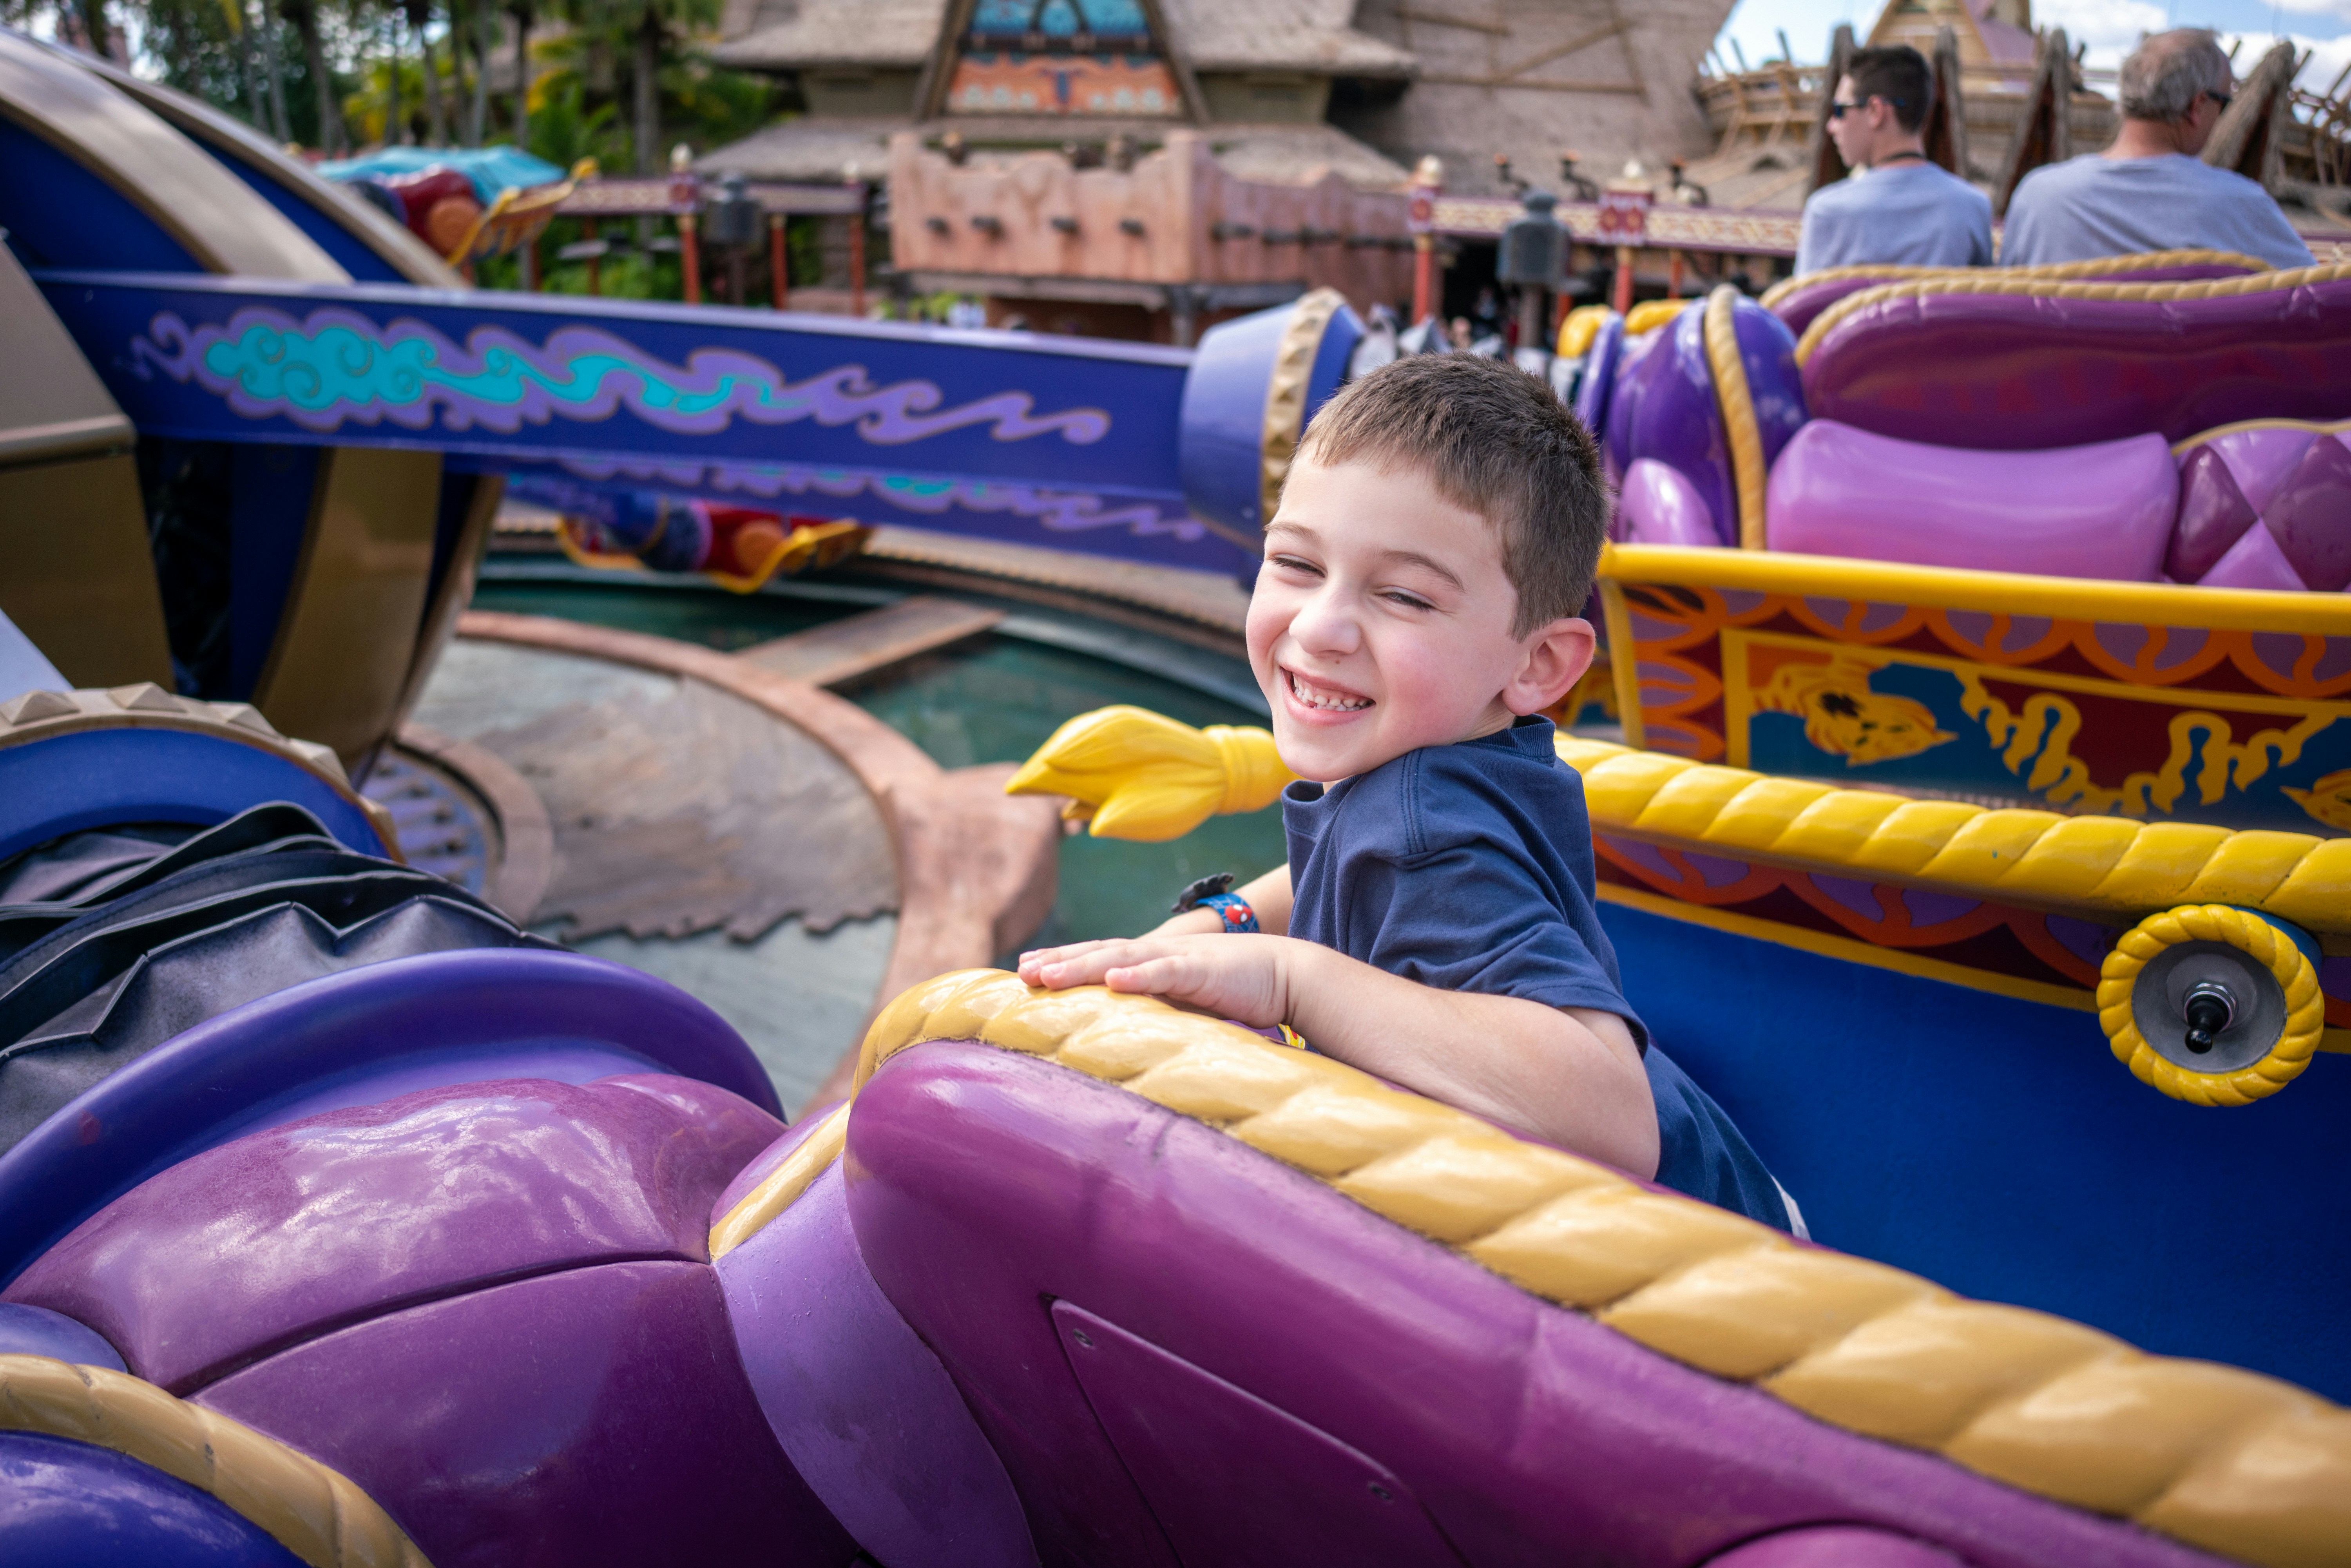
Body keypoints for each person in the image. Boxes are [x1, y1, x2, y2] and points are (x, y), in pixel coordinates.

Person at [1018, 356, 1797, 1231]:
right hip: (1738, 1188)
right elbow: (1341, 861)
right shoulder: (1450, 755)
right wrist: (1225, 925)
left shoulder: (1432, 832)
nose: (1321, 627)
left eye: (1402, 596)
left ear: (1538, 663)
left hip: (1708, 1252)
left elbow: (1613, 1118)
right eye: (1297, 565)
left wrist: (1290, 978)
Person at [2002, 30, 2314, 270]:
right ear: (2198, 106)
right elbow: (2319, 299)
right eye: (2225, 102)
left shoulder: (2039, 195)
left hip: (2066, 355)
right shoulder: (2243, 207)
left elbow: (2008, 298)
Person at [1794, 45, 1992, 276]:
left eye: (1839, 111)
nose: (1831, 126)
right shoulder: (1973, 207)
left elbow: (1799, 311)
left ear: (1875, 112)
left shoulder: (1828, 212)